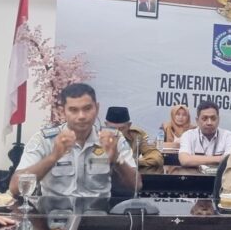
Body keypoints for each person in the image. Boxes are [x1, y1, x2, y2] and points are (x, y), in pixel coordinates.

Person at [11, 83, 141, 197]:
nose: (81, 116)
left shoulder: (112, 138)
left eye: (87, 108)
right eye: (73, 110)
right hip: (54, 213)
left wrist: (117, 160)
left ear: (97, 109)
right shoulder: (44, 139)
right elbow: (15, 187)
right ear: (62, 112)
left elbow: (136, 185)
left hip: (99, 213)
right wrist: (53, 157)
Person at [104, 106, 164, 174]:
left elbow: (156, 157)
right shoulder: (97, 138)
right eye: (113, 129)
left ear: (129, 125)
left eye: (121, 129)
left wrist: (133, 162)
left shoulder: (137, 136)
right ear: (106, 125)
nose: (117, 133)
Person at [178, 101, 231, 167]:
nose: (209, 123)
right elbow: (185, 160)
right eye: (204, 118)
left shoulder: (228, 136)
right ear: (197, 120)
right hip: (195, 174)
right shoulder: (188, 135)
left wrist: (195, 159)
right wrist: (220, 159)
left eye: (213, 118)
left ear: (218, 120)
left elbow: (230, 160)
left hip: (220, 174)